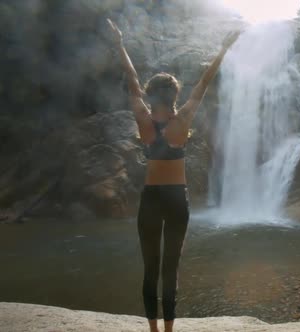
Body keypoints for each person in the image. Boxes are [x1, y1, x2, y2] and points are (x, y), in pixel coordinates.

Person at [107, 18, 240, 332]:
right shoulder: (183, 120)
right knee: (171, 270)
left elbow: (132, 79)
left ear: (151, 96)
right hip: (177, 200)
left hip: (151, 200)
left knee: (150, 269)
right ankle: (168, 331)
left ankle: (153, 331)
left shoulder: (143, 118)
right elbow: (204, 83)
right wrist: (223, 49)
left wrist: (120, 44)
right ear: (174, 95)